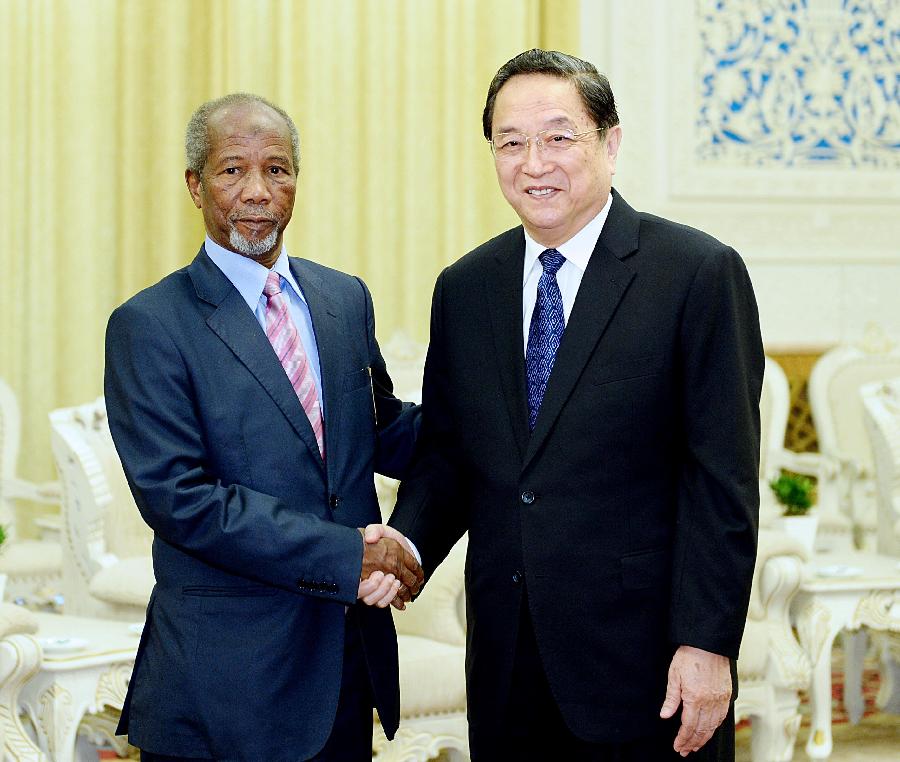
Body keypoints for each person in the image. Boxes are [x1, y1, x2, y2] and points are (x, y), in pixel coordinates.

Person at [377, 49, 764, 760]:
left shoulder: (696, 275)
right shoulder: (465, 289)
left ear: (610, 143)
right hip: (505, 663)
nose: (534, 162)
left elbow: (723, 482)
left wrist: (708, 644)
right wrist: (408, 542)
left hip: (649, 668)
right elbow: (451, 459)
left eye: (559, 137)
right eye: (511, 142)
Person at [105, 92, 423, 762]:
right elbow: (181, 500)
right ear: (195, 185)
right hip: (226, 689)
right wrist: (347, 555)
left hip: (345, 665)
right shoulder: (150, 325)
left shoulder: (342, 298)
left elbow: (380, 429)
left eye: (277, 170)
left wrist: (506, 424)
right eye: (232, 171)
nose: (258, 191)